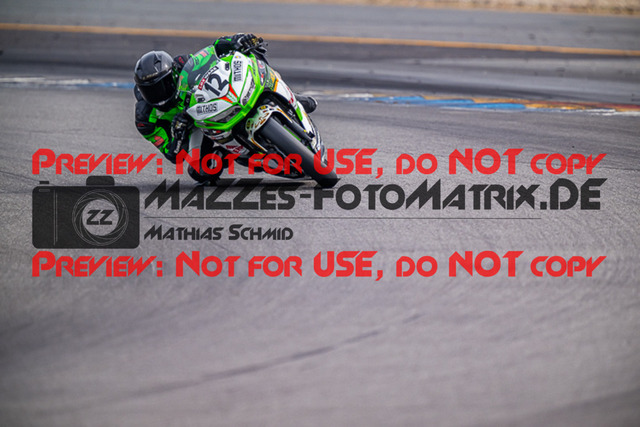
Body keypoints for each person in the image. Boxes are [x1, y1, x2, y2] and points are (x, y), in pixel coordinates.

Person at [133, 33, 317, 174]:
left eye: (162, 86)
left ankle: (286, 92)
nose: (158, 94)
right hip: (196, 127)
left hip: (211, 100)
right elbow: (173, 156)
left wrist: (235, 41)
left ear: (172, 75)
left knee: (250, 54)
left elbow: (213, 54)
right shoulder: (145, 120)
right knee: (200, 171)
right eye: (150, 91)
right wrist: (178, 133)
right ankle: (231, 154)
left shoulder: (181, 63)